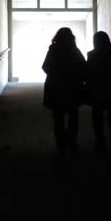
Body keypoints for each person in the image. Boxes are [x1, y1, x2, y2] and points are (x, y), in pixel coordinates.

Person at [42, 27, 87, 155]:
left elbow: (45, 67)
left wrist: (55, 76)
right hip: (72, 88)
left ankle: (60, 145)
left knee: (58, 118)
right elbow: (83, 67)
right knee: (73, 117)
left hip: (55, 88)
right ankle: (72, 143)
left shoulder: (53, 50)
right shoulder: (74, 51)